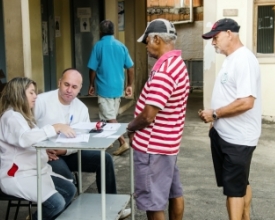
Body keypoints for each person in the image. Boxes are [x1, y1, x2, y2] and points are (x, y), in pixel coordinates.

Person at [34, 68, 130, 219]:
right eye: (66, 84)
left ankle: (112, 207)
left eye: (74, 87)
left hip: (68, 152)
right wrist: (41, 149)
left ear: (80, 89)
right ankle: (58, 214)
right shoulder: (41, 101)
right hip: (45, 155)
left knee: (105, 159)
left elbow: (83, 139)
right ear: (59, 82)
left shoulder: (81, 108)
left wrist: (64, 151)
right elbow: (28, 130)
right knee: (68, 180)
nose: (69, 90)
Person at [127, 18, 190, 220]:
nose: (146, 47)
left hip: (152, 149)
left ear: (156, 39)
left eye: (146, 41)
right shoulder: (177, 64)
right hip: (168, 145)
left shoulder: (164, 72)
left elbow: (148, 116)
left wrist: (130, 127)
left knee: (153, 204)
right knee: (174, 194)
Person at [199, 18, 261, 220]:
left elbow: (246, 102)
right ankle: (245, 217)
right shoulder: (231, 58)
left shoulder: (244, 60)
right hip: (225, 134)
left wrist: (215, 114)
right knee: (240, 181)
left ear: (229, 33)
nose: (213, 42)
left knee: (233, 190)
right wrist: (216, 123)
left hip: (238, 138)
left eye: (215, 37)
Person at [0, 77, 76, 220]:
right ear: (19, 94)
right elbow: (24, 139)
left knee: (69, 190)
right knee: (57, 203)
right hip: (18, 175)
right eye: (31, 92)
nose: (36, 96)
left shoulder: (22, 116)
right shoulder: (11, 117)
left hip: (34, 171)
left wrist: (43, 151)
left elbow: (29, 140)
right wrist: (55, 127)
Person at [87, 19, 134, 156]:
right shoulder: (121, 46)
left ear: (100, 32)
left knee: (109, 118)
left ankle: (122, 141)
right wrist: (129, 85)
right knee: (107, 115)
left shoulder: (98, 46)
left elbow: (92, 69)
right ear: (113, 31)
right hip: (118, 88)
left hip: (104, 89)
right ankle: (108, 140)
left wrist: (91, 85)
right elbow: (130, 67)